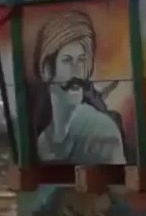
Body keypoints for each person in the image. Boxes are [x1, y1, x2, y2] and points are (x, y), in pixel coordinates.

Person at [30, 11, 126, 164]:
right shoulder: (42, 142)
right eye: (67, 61)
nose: (77, 70)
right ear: (48, 68)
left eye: (81, 60)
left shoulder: (103, 132)